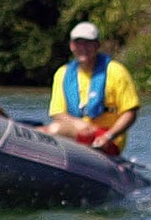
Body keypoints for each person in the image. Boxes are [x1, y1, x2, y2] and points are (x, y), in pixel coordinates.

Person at [42, 21, 140, 155]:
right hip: (76, 131)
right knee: (41, 130)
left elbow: (130, 112)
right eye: (79, 43)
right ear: (72, 46)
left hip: (106, 137)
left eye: (88, 43)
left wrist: (109, 136)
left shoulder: (116, 71)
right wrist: (77, 123)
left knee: (55, 130)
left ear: (97, 45)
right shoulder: (62, 73)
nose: (83, 48)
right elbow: (57, 112)